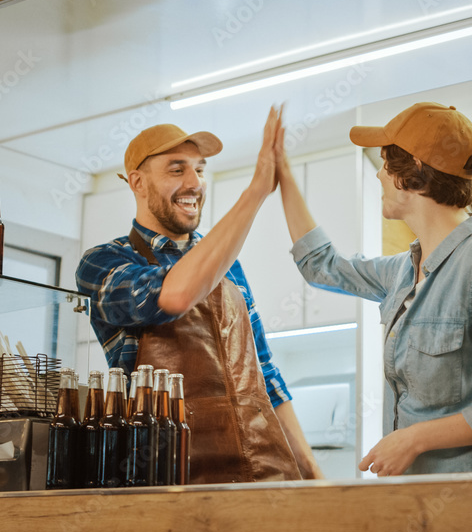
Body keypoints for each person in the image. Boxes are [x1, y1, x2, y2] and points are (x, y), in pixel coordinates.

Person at [274, 102, 472, 475]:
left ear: (413, 172)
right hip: (416, 502)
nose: (380, 177)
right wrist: (283, 175)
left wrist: (415, 439)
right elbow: (322, 266)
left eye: (386, 164)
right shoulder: (404, 270)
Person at [76, 108, 323, 483]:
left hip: (259, 471)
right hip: (164, 473)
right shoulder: (104, 262)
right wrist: (256, 190)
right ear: (137, 182)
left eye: (200, 169)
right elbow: (175, 294)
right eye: (177, 170)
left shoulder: (227, 264)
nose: (194, 183)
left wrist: (314, 475)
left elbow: (267, 379)